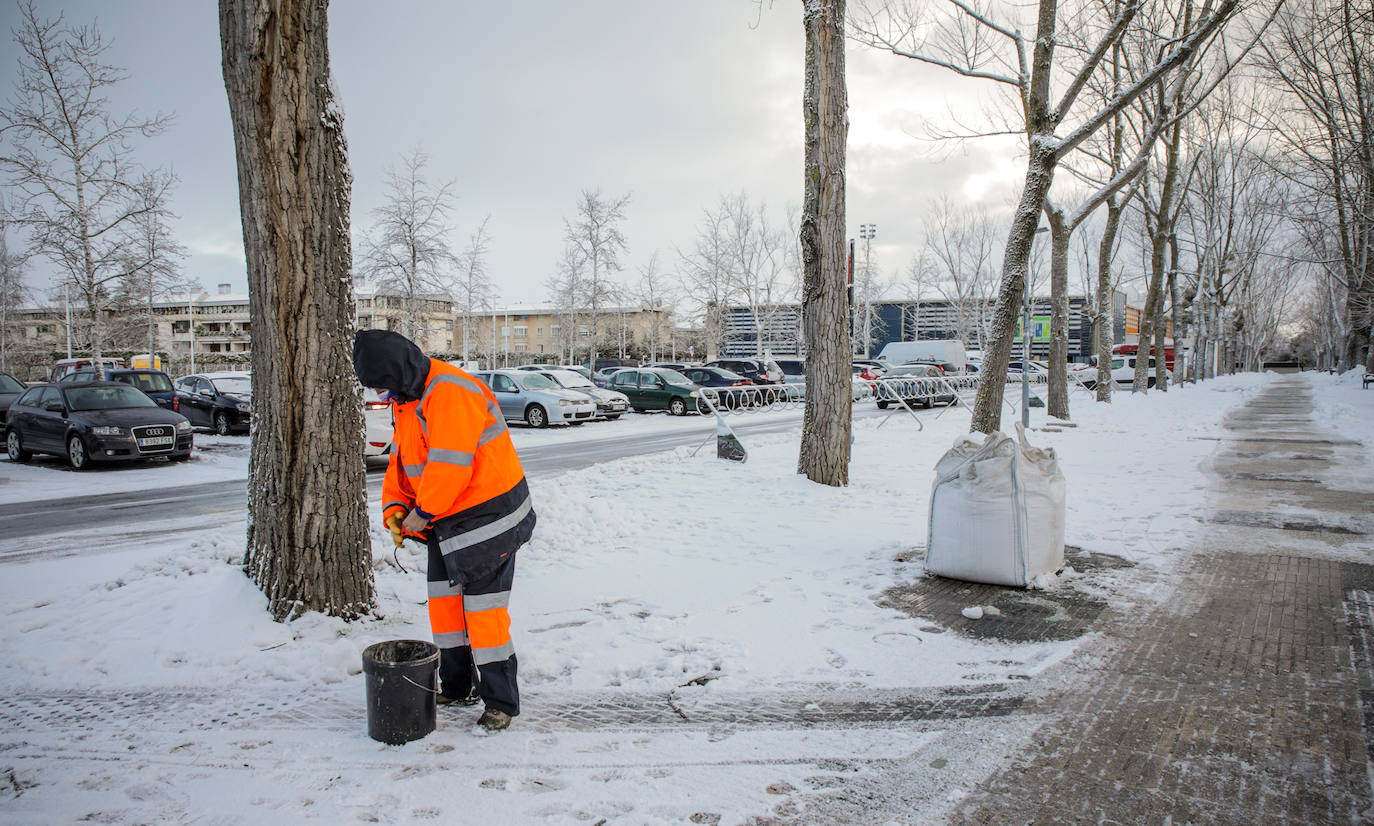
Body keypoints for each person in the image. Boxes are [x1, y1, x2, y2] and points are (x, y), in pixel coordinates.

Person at [353, 329, 536, 732]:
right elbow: (403, 460)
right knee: (446, 610)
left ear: (399, 371)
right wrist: (396, 508)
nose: (382, 394)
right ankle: (455, 685)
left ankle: (500, 702)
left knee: (484, 615)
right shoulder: (407, 399)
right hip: (448, 519)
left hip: (490, 519)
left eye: (384, 384)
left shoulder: (451, 391)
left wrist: (422, 512)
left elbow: (450, 465)